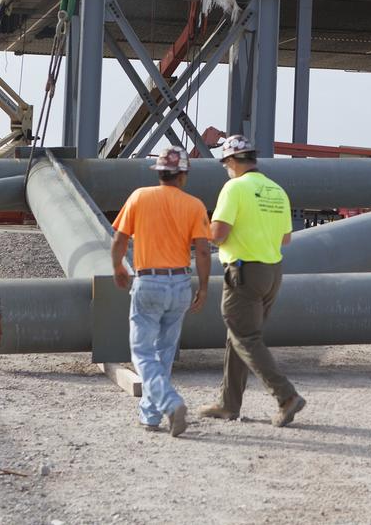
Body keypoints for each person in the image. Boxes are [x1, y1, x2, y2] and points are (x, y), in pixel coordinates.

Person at [197, 135, 306, 427]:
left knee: (245, 337)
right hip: (272, 272)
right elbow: (286, 237)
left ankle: (286, 396)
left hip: (244, 272)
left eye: (226, 165)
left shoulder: (234, 188)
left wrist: (198, 230)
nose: (226, 170)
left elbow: (218, 234)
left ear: (232, 161)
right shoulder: (276, 190)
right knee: (240, 336)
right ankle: (227, 404)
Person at [110, 146, 211, 437]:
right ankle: (151, 415)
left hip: (148, 282)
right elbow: (203, 251)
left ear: (160, 173)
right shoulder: (194, 205)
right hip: (180, 283)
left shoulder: (139, 197)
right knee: (164, 352)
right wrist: (203, 287)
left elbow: (119, 239)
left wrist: (118, 266)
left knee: (142, 352)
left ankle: (169, 402)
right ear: (184, 175)